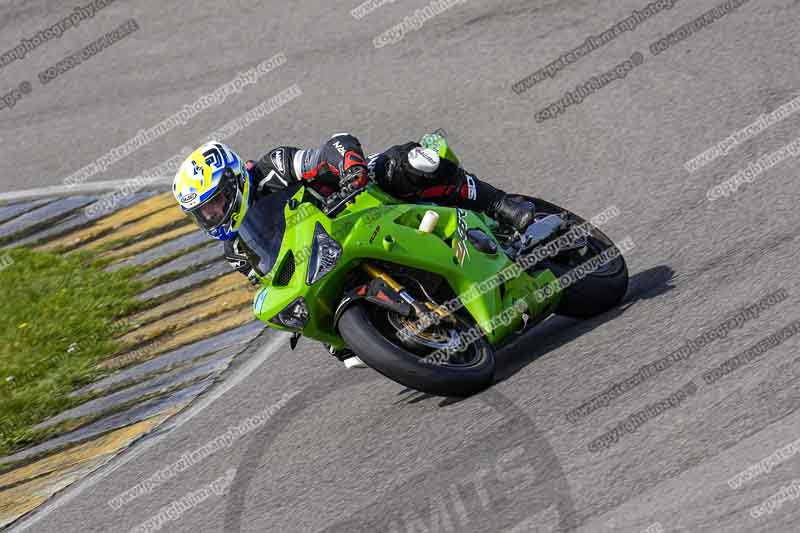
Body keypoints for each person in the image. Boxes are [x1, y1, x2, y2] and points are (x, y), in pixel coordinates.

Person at [173, 135, 535, 363]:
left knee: (409, 163)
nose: (211, 215)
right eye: (202, 213)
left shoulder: (274, 168)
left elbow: (336, 145)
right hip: (327, 256)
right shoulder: (235, 248)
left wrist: (350, 172)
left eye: (216, 202)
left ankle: (501, 205)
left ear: (234, 180)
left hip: (361, 204)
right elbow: (272, 280)